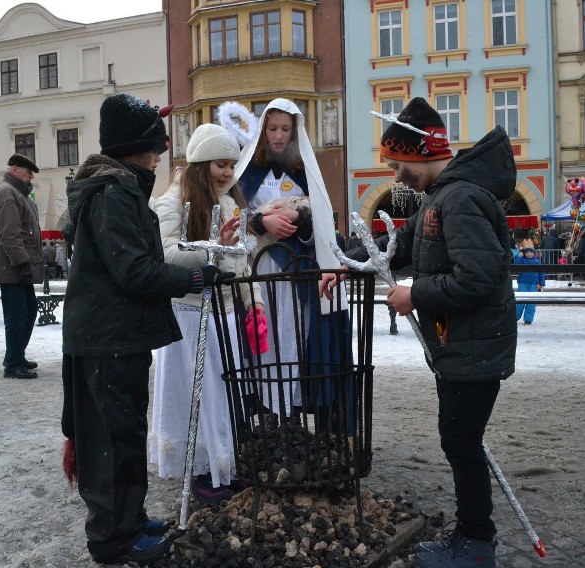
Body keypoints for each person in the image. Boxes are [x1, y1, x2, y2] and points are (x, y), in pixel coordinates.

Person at [320, 97, 517, 568]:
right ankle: (470, 536)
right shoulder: (441, 197)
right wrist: (352, 268)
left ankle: (475, 543)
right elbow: (399, 247)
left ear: (418, 154)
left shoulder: (461, 197)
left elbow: (480, 277)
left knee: (461, 442)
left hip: (473, 347)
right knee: (459, 439)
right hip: (459, 345)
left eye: (396, 162)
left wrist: (417, 294)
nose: (393, 173)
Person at [60, 93, 229, 566]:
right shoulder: (113, 194)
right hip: (108, 338)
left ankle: (129, 521)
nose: (159, 157)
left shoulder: (120, 188)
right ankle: (114, 540)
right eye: (155, 148)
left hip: (116, 335)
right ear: (138, 149)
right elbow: (134, 271)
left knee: (126, 434)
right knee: (113, 442)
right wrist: (197, 275)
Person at [150, 123, 264, 504]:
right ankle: (201, 472)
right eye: (221, 165)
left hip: (224, 316)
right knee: (196, 396)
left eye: (232, 166)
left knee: (221, 397)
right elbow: (164, 256)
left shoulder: (230, 203)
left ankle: (222, 467)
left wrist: (255, 305)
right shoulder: (170, 202)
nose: (228, 174)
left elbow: (242, 262)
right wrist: (213, 246)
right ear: (201, 164)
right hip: (188, 316)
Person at [233, 98, 342, 414]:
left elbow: (322, 223)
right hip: (263, 263)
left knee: (293, 332)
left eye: (285, 129)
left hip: (296, 267)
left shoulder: (303, 169)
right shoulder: (248, 170)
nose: (279, 135)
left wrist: (300, 217)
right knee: (264, 332)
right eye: (272, 128)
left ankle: (291, 406)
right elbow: (232, 216)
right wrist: (260, 221)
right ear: (263, 129)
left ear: (295, 131)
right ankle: (266, 406)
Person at [0, 154, 42, 379]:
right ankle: (13, 363)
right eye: (28, 173)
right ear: (15, 170)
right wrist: (21, 263)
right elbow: (9, 234)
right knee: (17, 315)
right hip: (12, 267)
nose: (30, 177)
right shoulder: (7, 193)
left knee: (27, 312)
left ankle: (16, 355)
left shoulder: (15, 193)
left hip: (16, 266)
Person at [515, 246, 545, 325]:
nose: (529, 254)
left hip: (534, 284)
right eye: (527, 253)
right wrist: (519, 256)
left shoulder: (537, 261)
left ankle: (528, 319)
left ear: (533, 253)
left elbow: (541, 273)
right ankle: (515, 318)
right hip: (522, 283)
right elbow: (516, 266)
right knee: (520, 301)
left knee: (531, 302)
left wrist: (542, 283)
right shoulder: (522, 260)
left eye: (531, 252)